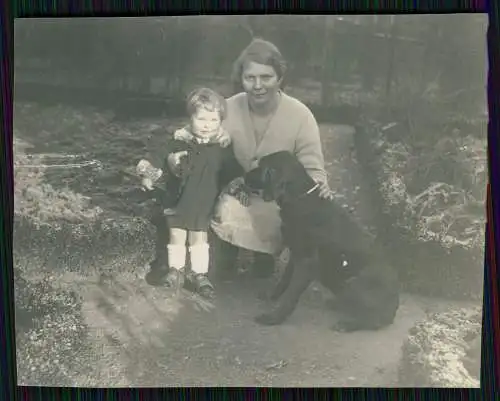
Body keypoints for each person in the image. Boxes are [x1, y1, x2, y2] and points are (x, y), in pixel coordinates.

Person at [165, 38, 334, 281]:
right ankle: (227, 250)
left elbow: (311, 164)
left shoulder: (300, 115)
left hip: (274, 198)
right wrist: (174, 155)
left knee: (271, 218)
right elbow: (194, 132)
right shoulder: (228, 108)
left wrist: (319, 184)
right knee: (225, 206)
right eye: (250, 78)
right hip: (234, 190)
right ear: (241, 78)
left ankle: (264, 257)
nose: (258, 86)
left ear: (280, 78)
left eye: (266, 77)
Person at [137, 87, 236, 299]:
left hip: (203, 202)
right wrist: (149, 174)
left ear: (220, 122)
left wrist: (238, 185)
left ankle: (199, 274)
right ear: (190, 118)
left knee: (199, 238)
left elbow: (233, 171)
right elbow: (158, 156)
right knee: (177, 234)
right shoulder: (179, 142)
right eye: (201, 119)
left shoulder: (222, 149)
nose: (207, 125)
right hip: (178, 199)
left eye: (213, 120)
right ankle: (176, 270)